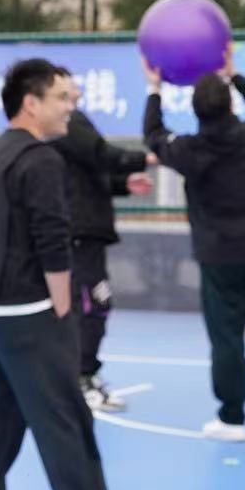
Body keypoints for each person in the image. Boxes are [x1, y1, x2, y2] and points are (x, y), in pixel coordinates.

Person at [0, 59, 155, 490]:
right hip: (28, 310)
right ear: (31, 103)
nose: (71, 107)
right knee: (65, 418)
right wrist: (62, 307)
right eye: (62, 98)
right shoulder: (43, 159)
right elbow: (52, 237)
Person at [142, 47, 245, 442]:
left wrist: (155, 89)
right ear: (231, 104)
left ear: (195, 111)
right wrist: (235, 75)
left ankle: (232, 419)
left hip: (219, 261)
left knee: (227, 340)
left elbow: (153, 135)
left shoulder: (189, 150)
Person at [52, 106, 154, 412]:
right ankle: (81, 379)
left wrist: (122, 184)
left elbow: (85, 172)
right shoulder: (68, 121)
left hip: (88, 234)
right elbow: (99, 153)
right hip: (79, 234)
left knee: (94, 305)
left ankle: (81, 375)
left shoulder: (72, 121)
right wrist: (147, 158)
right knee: (91, 305)